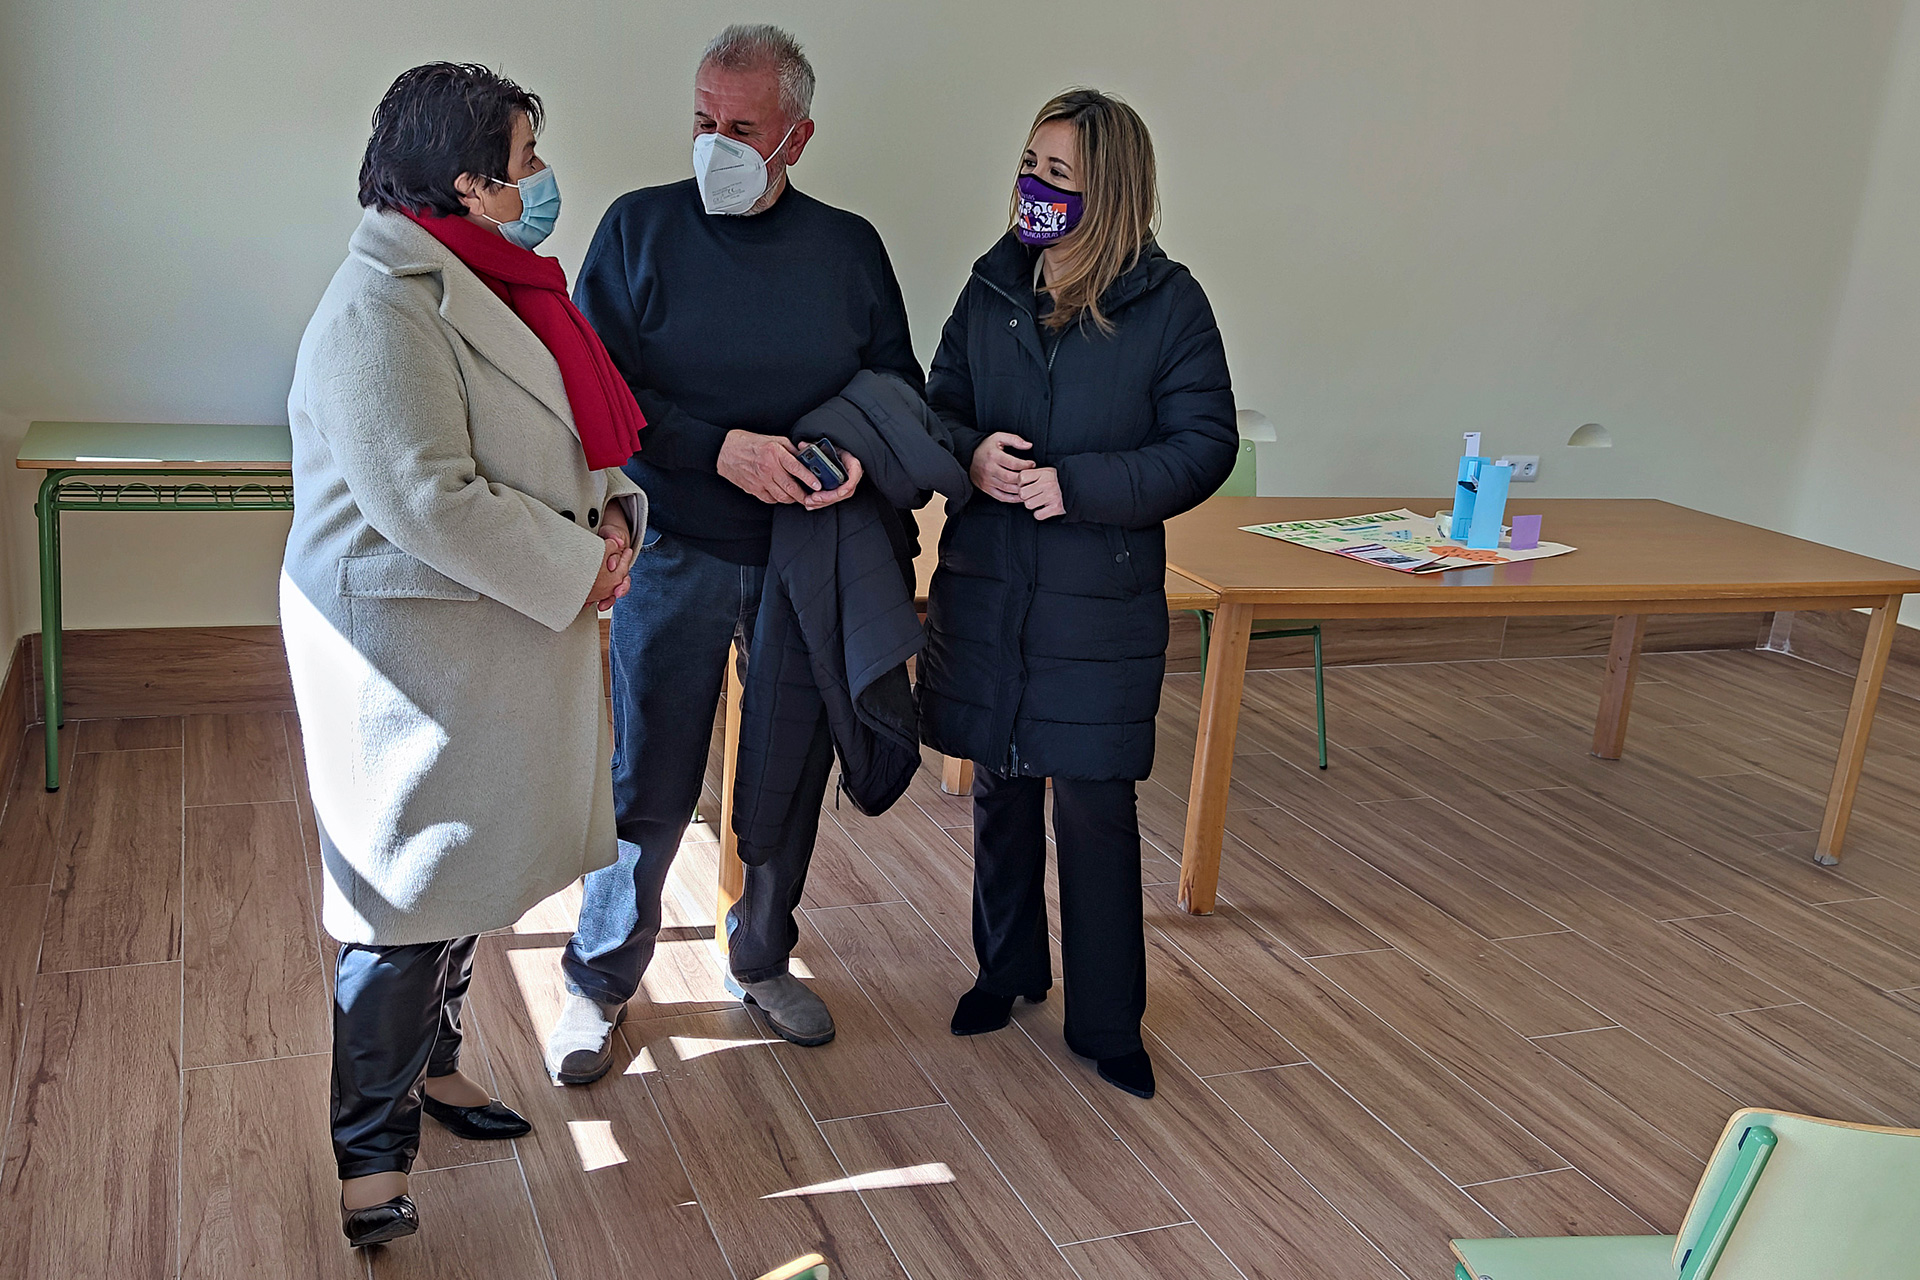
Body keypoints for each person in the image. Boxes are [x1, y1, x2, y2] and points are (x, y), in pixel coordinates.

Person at [281, 62, 644, 1247]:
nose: (541, 183)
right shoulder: (379, 304)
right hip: (411, 644)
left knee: (467, 878)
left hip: (494, 623)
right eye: (525, 162)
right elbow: (426, 497)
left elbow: (571, 427)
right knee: (402, 898)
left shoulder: (500, 278)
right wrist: (576, 565)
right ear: (469, 179)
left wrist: (617, 514)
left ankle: (436, 1072)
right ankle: (368, 1164)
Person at [547, 24, 923, 1083]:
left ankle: (760, 955)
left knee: (785, 773)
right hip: (675, 550)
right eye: (703, 121)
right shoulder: (638, 231)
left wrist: (848, 457)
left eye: (742, 128)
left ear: (796, 137)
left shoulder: (848, 248)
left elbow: (896, 386)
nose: (715, 142)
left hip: (806, 557)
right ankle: (598, 979)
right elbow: (598, 401)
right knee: (648, 778)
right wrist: (722, 450)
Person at [917, 89, 1237, 1100]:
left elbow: (1204, 445)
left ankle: (1109, 1023)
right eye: (1030, 163)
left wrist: (1082, 484)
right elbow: (937, 407)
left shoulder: (1169, 304)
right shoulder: (990, 285)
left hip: (1094, 601)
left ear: (1115, 192)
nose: (1035, 188)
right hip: (990, 589)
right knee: (1001, 786)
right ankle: (1006, 968)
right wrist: (969, 456)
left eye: (1061, 174)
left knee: (1095, 804)